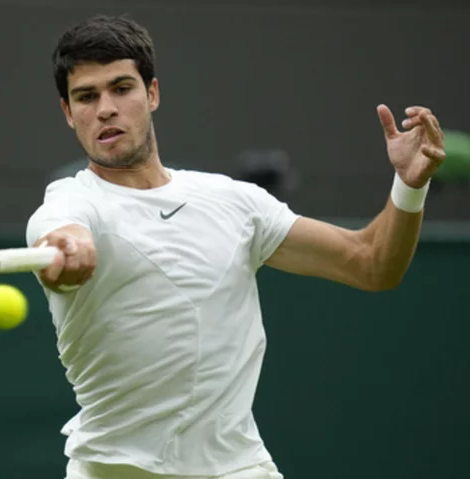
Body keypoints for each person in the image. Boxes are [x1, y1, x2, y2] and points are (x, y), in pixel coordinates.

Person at [25, 14, 445, 479]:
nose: (105, 108)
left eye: (121, 88)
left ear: (153, 94)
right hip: (116, 470)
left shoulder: (234, 202)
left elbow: (372, 264)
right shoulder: (71, 200)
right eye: (87, 96)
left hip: (238, 468)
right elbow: (62, 234)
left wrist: (408, 188)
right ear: (68, 113)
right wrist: (68, 249)